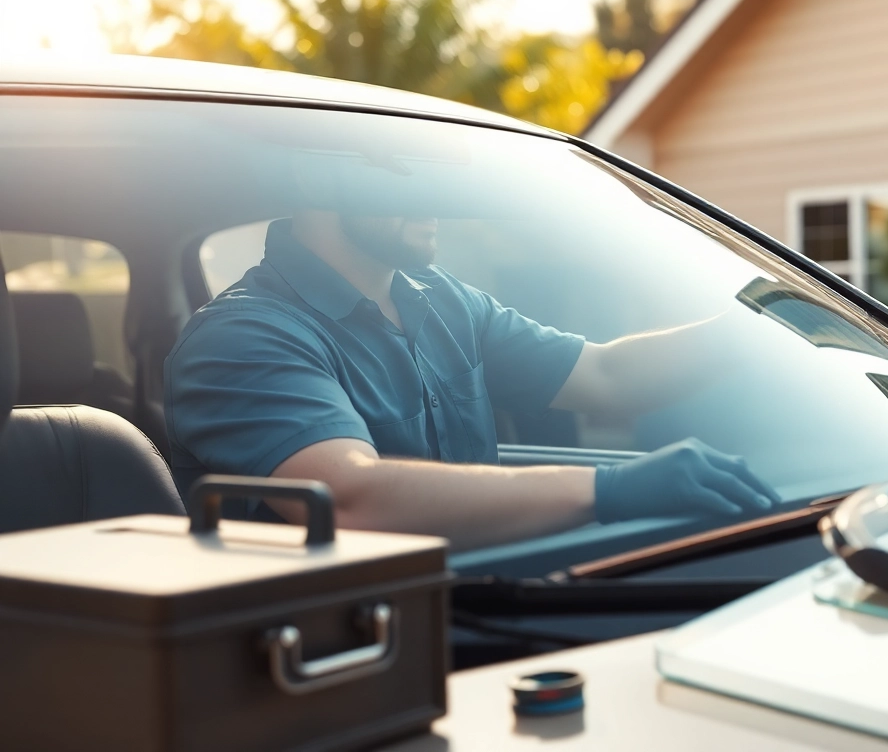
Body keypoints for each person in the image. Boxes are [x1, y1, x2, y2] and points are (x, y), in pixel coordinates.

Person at [165, 210, 779, 551]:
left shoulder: (444, 301)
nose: (439, 197)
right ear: (313, 180)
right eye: (404, 167)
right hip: (341, 660)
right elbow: (347, 499)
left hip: (495, 605)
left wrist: (766, 319)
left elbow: (606, 375)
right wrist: (607, 490)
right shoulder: (241, 337)